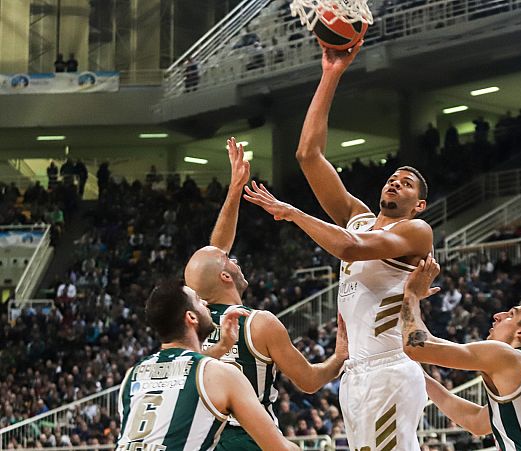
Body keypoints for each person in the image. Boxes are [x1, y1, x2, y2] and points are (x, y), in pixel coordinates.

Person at [244, 42, 433, 451]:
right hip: (356, 372)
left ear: (418, 203)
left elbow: (349, 248)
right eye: (394, 176)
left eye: (408, 182)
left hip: (389, 367)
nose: (396, 180)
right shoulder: (359, 216)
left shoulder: (416, 231)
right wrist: (331, 74)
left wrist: (294, 213)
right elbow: (308, 155)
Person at [184, 137, 348, 451]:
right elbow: (309, 381)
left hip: (206, 440)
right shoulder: (259, 324)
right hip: (252, 438)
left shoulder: (191, 321)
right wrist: (338, 358)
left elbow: (215, 253)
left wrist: (234, 190)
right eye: (230, 261)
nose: (235, 259)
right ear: (224, 275)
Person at [400, 255, 521, 450]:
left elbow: (416, 346)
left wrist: (411, 295)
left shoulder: (507, 356)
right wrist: (421, 375)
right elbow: (476, 422)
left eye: (511, 314)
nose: (497, 316)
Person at [116, 278, 299, 451]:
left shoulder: (133, 374)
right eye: (198, 300)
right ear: (191, 318)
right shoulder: (220, 374)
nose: (205, 304)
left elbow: (186, 369)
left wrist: (222, 347)